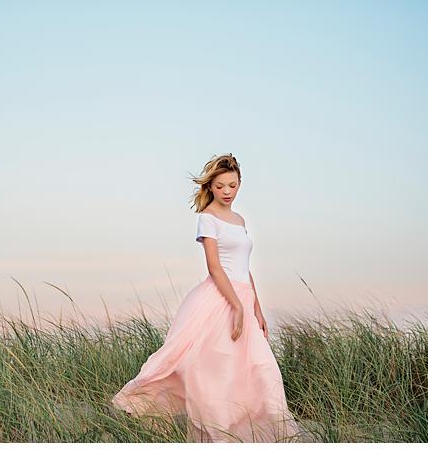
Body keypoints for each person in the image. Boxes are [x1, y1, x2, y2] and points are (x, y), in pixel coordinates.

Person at [111, 153, 301, 443]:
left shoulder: (239, 220)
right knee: (215, 368)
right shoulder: (208, 219)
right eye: (221, 186)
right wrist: (236, 306)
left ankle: (252, 433)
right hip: (218, 300)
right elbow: (215, 267)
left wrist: (256, 309)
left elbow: (244, 268)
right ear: (210, 186)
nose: (227, 192)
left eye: (233, 185)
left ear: (240, 184)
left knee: (260, 369)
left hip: (243, 298)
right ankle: (212, 432)